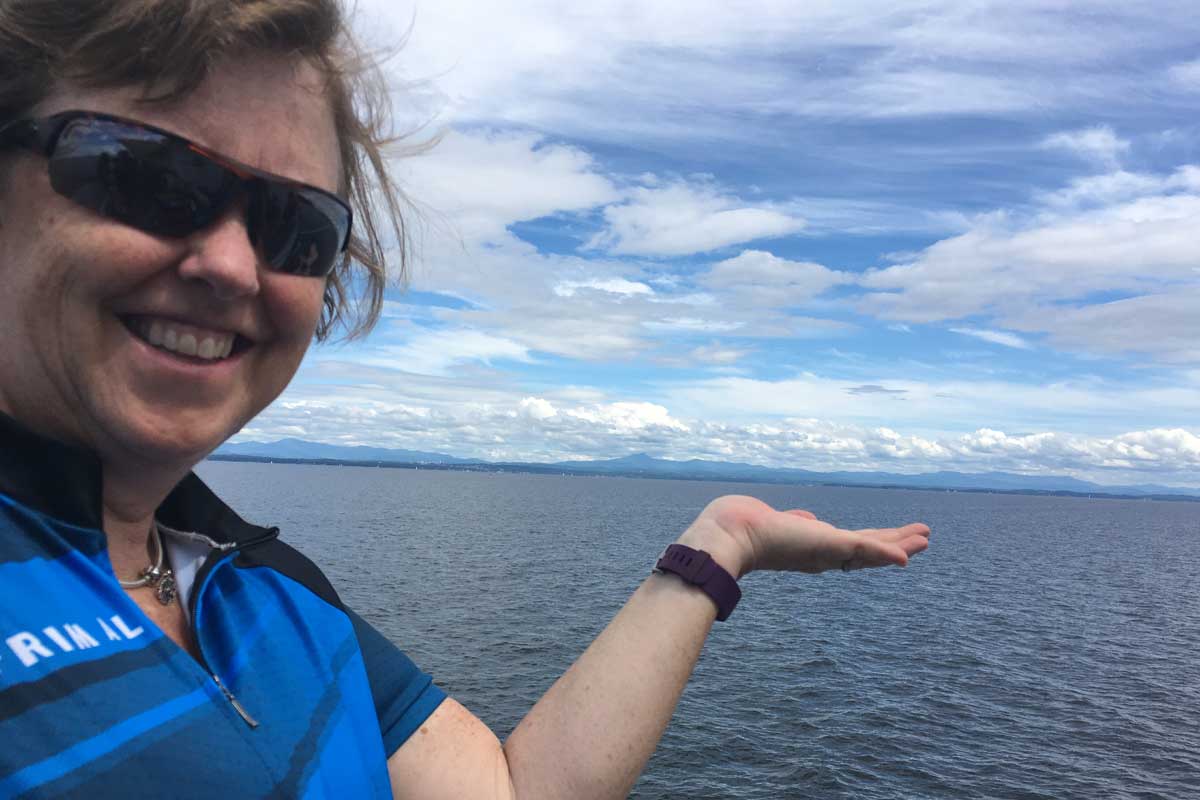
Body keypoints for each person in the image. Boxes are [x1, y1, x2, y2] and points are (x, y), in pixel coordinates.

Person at [0, 1, 931, 797]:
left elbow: (508, 788)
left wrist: (721, 544)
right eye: (151, 176)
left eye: (298, 226)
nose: (234, 265)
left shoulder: (260, 586)